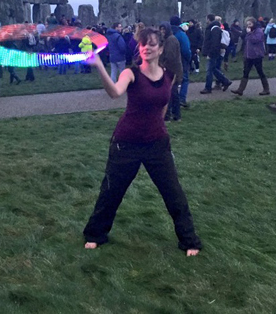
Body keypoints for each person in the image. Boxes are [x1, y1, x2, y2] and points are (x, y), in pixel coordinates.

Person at [82, 28, 202, 256]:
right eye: (143, 44)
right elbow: (115, 92)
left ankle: (189, 240)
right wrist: (98, 65)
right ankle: (95, 234)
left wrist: (158, 128)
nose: (146, 47)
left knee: (173, 193)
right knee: (111, 191)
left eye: (152, 44)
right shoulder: (131, 73)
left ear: (161, 49)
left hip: (157, 144)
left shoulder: (168, 76)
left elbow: (162, 107)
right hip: (126, 143)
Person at [231, 17, 270, 96]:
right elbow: (245, 40)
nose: (248, 26)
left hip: (257, 55)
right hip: (249, 55)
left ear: (254, 24)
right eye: (247, 24)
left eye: (250, 24)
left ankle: (266, 89)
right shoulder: (249, 31)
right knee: (245, 72)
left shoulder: (258, 31)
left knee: (260, 71)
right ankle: (240, 89)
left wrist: (249, 33)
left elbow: (255, 40)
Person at [200, 14, 231, 94]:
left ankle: (208, 87)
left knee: (209, 70)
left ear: (208, 19)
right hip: (213, 51)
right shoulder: (214, 28)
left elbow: (214, 42)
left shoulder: (214, 28)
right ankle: (225, 81)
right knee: (213, 69)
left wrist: (210, 53)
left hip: (212, 52)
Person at [158, 22, 183, 122]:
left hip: (171, 70)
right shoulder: (166, 40)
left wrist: (162, 66)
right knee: (172, 93)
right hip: (169, 70)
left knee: (170, 93)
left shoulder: (171, 40)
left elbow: (170, 57)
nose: (162, 31)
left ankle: (170, 115)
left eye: (164, 29)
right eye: (161, 29)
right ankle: (174, 115)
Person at [170, 16, 191, 108]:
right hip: (181, 59)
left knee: (170, 80)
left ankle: (170, 100)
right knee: (184, 79)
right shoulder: (181, 34)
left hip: (168, 60)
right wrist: (188, 59)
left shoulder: (167, 33)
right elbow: (186, 50)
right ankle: (182, 99)